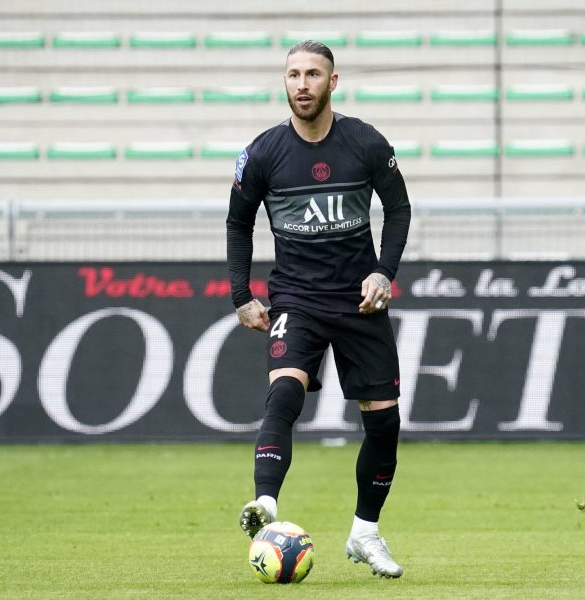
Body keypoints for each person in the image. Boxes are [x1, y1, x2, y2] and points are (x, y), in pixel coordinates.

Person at [225, 40, 411, 578]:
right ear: (284, 83)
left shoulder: (366, 142)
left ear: (333, 82)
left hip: (360, 301)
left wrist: (384, 272)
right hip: (297, 299)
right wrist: (242, 296)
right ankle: (267, 506)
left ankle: (365, 533)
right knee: (285, 390)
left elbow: (397, 208)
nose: (301, 83)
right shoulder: (262, 153)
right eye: (292, 74)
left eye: (312, 74)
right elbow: (238, 224)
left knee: (384, 425)